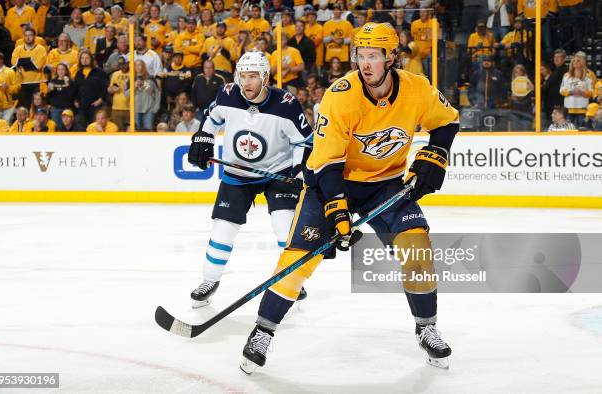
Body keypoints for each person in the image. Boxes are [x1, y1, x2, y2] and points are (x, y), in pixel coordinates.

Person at [239, 22, 458, 374]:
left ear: (391, 57)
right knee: (297, 263)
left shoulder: (418, 89)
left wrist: (435, 154)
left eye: (373, 55)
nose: (365, 63)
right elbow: (327, 163)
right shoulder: (340, 95)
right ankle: (263, 330)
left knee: (417, 250)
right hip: (330, 183)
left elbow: (447, 123)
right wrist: (338, 211)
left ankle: (426, 326)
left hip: (385, 185)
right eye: (361, 55)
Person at [187, 51, 313, 308]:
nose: (247, 82)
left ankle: (293, 281)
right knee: (223, 229)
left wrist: (299, 170)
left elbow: (304, 141)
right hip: (238, 172)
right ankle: (209, 280)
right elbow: (212, 119)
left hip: (278, 174)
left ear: (265, 77)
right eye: (243, 76)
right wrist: (203, 136)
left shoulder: (286, 104)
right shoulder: (227, 94)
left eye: (253, 76)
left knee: (284, 227)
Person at [125, 59, 160, 131]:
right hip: (135, 110)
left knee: (148, 132)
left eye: (139, 65)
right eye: (136, 65)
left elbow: (157, 93)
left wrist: (156, 108)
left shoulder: (151, 78)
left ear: (143, 66)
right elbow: (126, 95)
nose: (137, 67)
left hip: (149, 110)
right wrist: (134, 86)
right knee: (136, 132)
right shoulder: (130, 79)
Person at [0, 51, 20, 122]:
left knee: (6, 128)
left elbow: (17, 87)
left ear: (2, 60)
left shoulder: (10, 72)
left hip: (8, 107)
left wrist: (8, 88)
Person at [46, 62, 77, 129]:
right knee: (57, 127)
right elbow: (49, 96)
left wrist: (67, 85)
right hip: (55, 109)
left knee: (68, 127)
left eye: (63, 69)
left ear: (66, 71)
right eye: (59, 69)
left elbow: (72, 95)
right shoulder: (53, 81)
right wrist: (48, 91)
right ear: (56, 71)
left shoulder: (71, 82)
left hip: (67, 108)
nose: (61, 71)